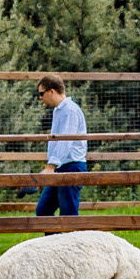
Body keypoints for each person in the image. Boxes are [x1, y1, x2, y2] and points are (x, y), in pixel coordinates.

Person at [35, 76, 87, 220]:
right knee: (44, 210)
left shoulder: (69, 110)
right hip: (60, 167)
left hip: (72, 167)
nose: (40, 98)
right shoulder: (59, 111)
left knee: (68, 216)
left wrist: (50, 167)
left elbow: (65, 140)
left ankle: (73, 243)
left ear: (51, 91)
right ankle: (55, 243)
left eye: (41, 93)